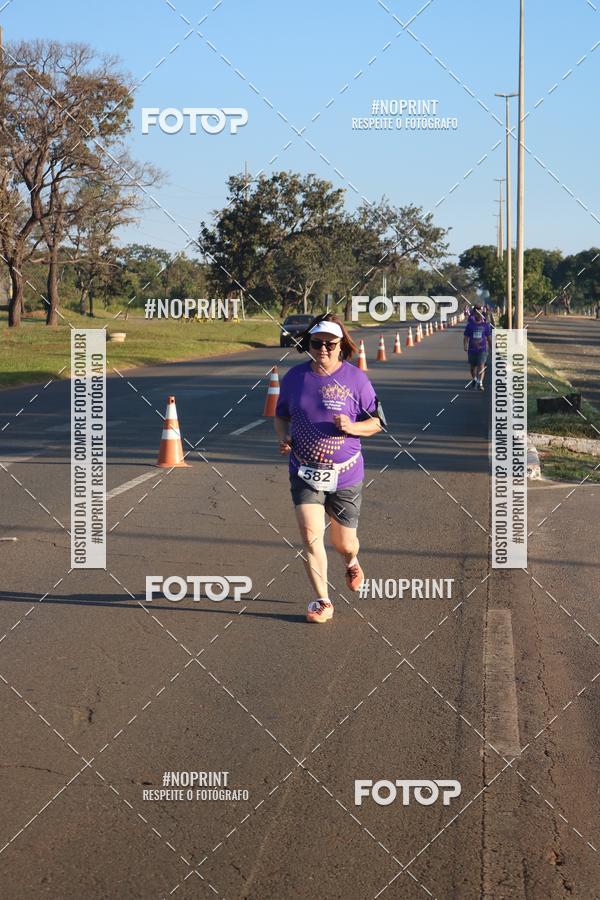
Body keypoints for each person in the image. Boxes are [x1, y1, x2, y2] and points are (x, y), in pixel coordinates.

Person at [274, 313, 382, 624]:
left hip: (346, 471)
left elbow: (377, 422)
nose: (323, 349)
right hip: (304, 470)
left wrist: (352, 426)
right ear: (308, 344)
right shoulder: (295, 377)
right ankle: (323, 601)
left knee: (343, 543)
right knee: (310, 535)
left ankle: (352, 561)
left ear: (341, 346)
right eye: (316, 343)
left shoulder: (356, 379)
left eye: (329, 345)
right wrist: (283, 437)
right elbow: (281, 415)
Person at [463, 306, 492, 390]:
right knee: (473, 367)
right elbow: (466, 337)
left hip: (482, 349)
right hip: (472, 349)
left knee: (481, 365)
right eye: (477, 314)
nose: (479, 315)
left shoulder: (485, 326)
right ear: (475, 314)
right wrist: (465, 345)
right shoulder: (470, 325)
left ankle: (480, 383)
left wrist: (491, 347)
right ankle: (474, 379)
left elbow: (489, 338)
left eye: (480, 314)